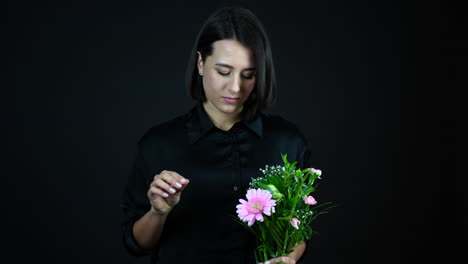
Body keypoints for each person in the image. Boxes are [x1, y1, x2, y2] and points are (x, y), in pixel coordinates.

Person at [121, 6, 314, 264]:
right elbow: (137, 244)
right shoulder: (159, 144)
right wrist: (158, 212)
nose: (235, 87)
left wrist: (289, 258)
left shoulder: (287, 141)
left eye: (248, 75)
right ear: (201, 63)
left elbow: (298, 228)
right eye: (223, 71)